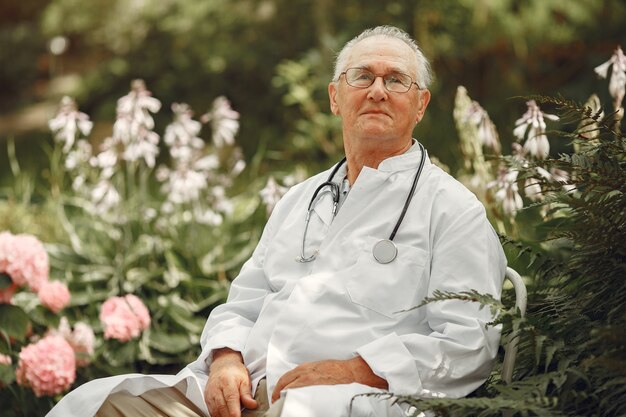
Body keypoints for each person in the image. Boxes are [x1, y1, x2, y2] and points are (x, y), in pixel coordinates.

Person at [47, 25, 506, 417]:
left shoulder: (452, 210)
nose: (378, 90)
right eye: (362, 76)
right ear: (334, 97)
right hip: (241, 394)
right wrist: (226, 359)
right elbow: (244, 300)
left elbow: (468, 344)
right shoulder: (300, 200)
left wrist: (355, 371)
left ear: (421, 104)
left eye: (396, 80)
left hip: (344, 402)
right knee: (94, 404)